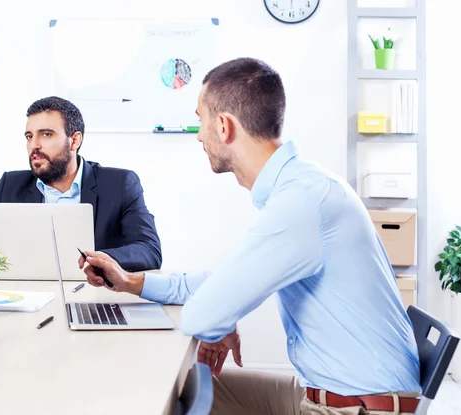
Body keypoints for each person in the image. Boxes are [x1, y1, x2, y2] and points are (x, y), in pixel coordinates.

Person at [78, 58, 422, 415]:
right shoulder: (302, 187)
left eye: (200, 119)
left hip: (357, 407)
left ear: (223, 126)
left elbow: (202, 317)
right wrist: (131, 281)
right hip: (334, 390)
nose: (198, 134)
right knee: (184, 388)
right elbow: (221, 286)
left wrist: (222, 317)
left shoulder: (302, 202)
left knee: (172, 401)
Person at [0, 96, 162, 272]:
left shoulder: (119, 184)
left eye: (46, 134)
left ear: (74, 141)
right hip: (26, 297)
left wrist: (97, 259)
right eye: (29, 136)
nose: (34, 145)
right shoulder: (9, 185)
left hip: (93, 295)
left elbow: (149, 250)